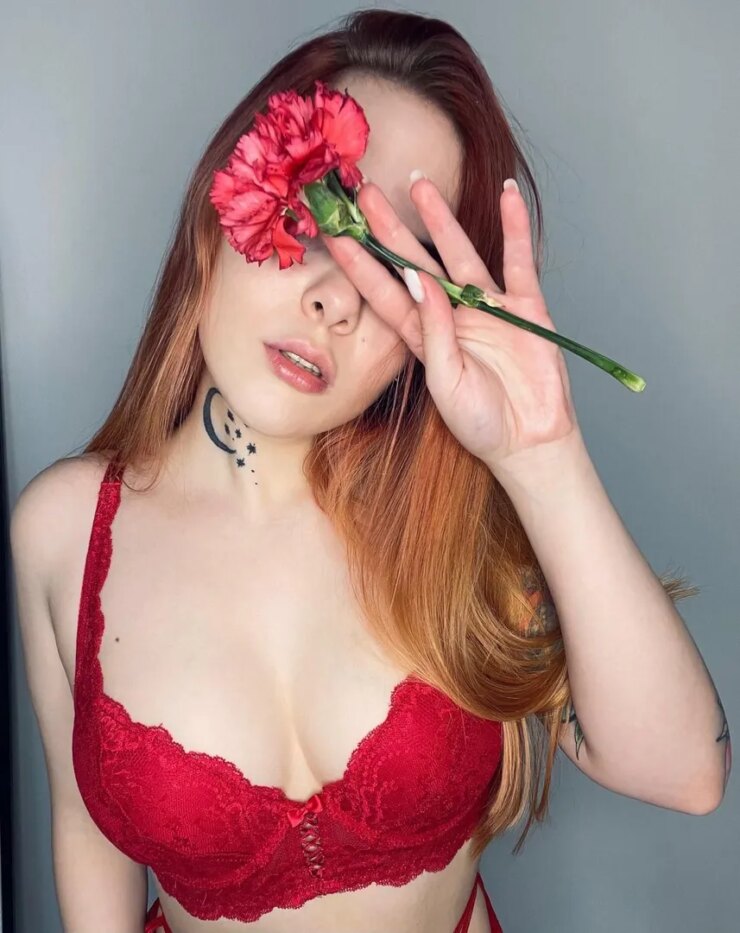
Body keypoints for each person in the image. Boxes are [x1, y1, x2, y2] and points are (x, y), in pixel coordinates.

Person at [10, 8, 729, 933]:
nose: (335, 299)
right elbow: (87, 831)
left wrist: (543, 456)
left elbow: (685, 772)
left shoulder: (457, 519)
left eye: (394, 268)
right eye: (315, 214)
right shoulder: (64, 531)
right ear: (219, 211)